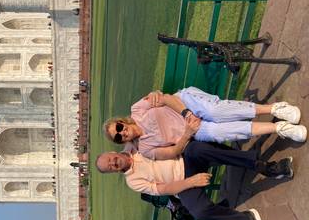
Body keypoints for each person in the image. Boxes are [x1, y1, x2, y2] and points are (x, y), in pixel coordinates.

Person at [95, 140, 295, 220]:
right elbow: (163, 189)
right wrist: (190, 181)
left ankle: (267, 168)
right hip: (182, 184)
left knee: (199, 148)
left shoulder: (134, 145)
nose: (113, 163)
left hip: (186, 157)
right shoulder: (133, 181)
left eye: (111, 159)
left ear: (113, 153)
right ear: (112, 172)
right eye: (110, 167)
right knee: (200, 212)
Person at [104, 87, 306, 159]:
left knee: (215, 111)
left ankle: (274, 109)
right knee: (218, 133)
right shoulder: (145, 149)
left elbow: (163, 97)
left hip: (186, 102)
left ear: (122, 122)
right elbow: (173, 152)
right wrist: (187, 132)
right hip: (192, 130)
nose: (123, 133)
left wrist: (185, 113)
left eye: (119, 128)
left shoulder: (137, 110)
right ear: (122, 142)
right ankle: (279, 128)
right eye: (119, 137)